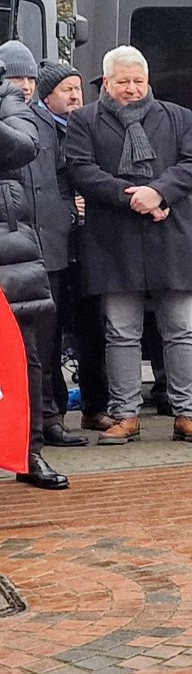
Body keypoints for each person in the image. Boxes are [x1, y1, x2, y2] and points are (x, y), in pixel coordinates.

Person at [62, 46, 192, 445]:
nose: (131, 89)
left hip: (172, 235)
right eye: (123, 81)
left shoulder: (178, 117)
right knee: (121, 332)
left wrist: (159, 192)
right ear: (106, 82)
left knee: (180, 330)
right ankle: (125, 414)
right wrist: (133, 197)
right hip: (113, 239)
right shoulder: (84, 120)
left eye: (138, 81)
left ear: (148, 81)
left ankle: (187, 413)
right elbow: (81, 170)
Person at [7, 48, 83, 454]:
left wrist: (68, 213)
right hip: (11, 248)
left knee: (47, 343)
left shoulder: (47, 126)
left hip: (46, 248)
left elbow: (63, 177)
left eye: (30, 79)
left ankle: (49, 418)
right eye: (15, 78)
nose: (24, 86)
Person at [0, 42, 64, 488]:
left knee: (23, 356)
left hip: (8, 248)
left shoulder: (10, 99)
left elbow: (24, 146)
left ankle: (28, 453)